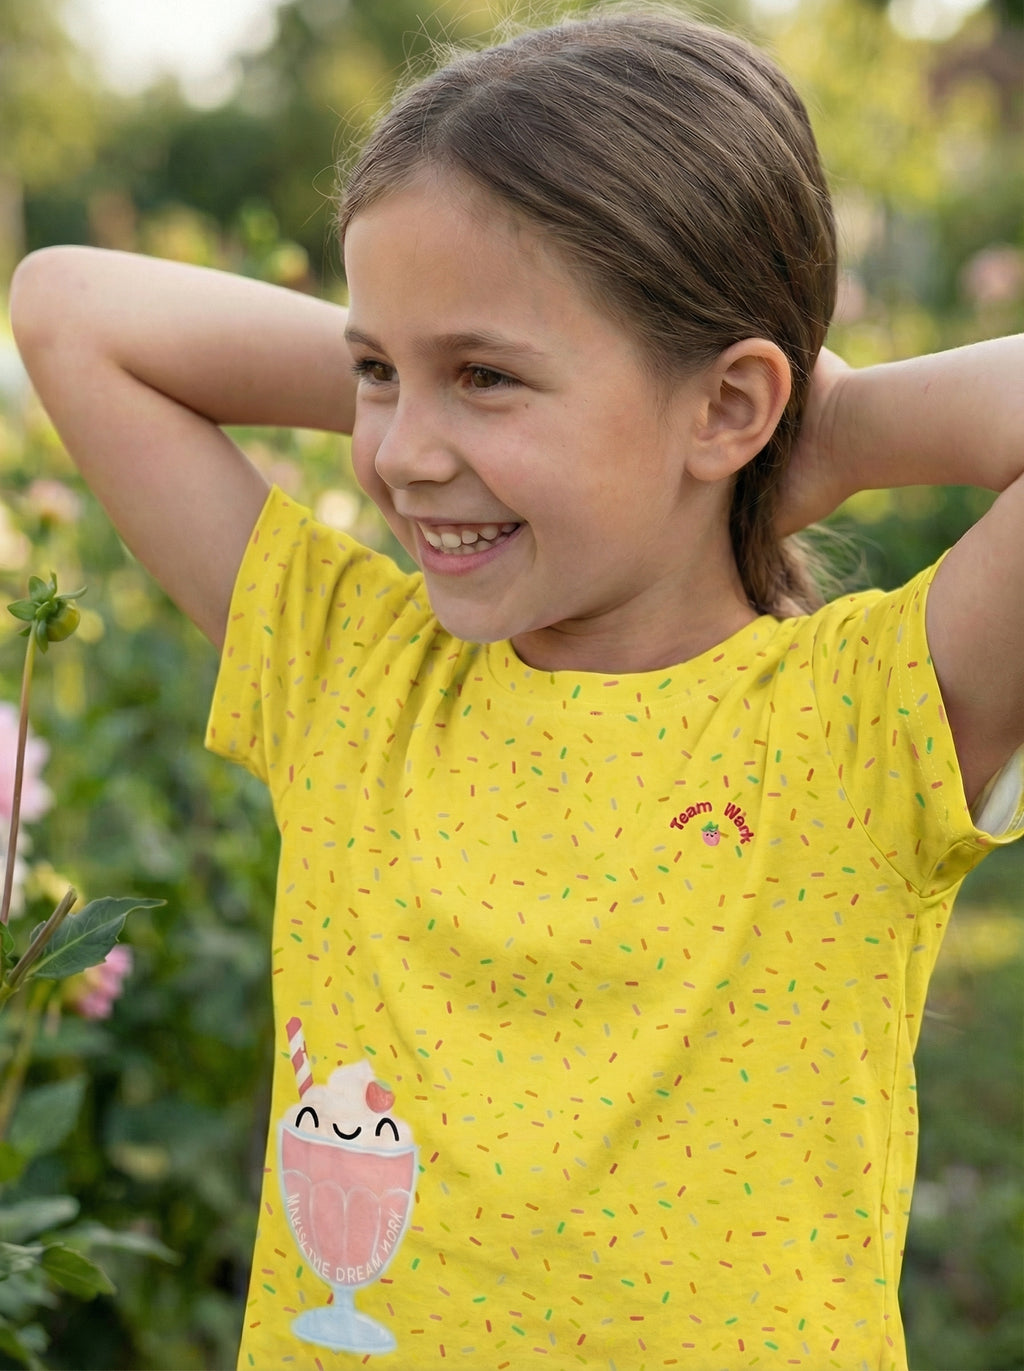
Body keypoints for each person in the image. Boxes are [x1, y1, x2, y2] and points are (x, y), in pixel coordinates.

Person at [9, 8, 1024, 1369]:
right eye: (376, 372)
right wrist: (442, 368)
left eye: (486, 376)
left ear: (732, 406)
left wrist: (831, 432)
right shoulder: (353, 672)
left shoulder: (861, 723)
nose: (401, 455)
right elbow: (69, 309)